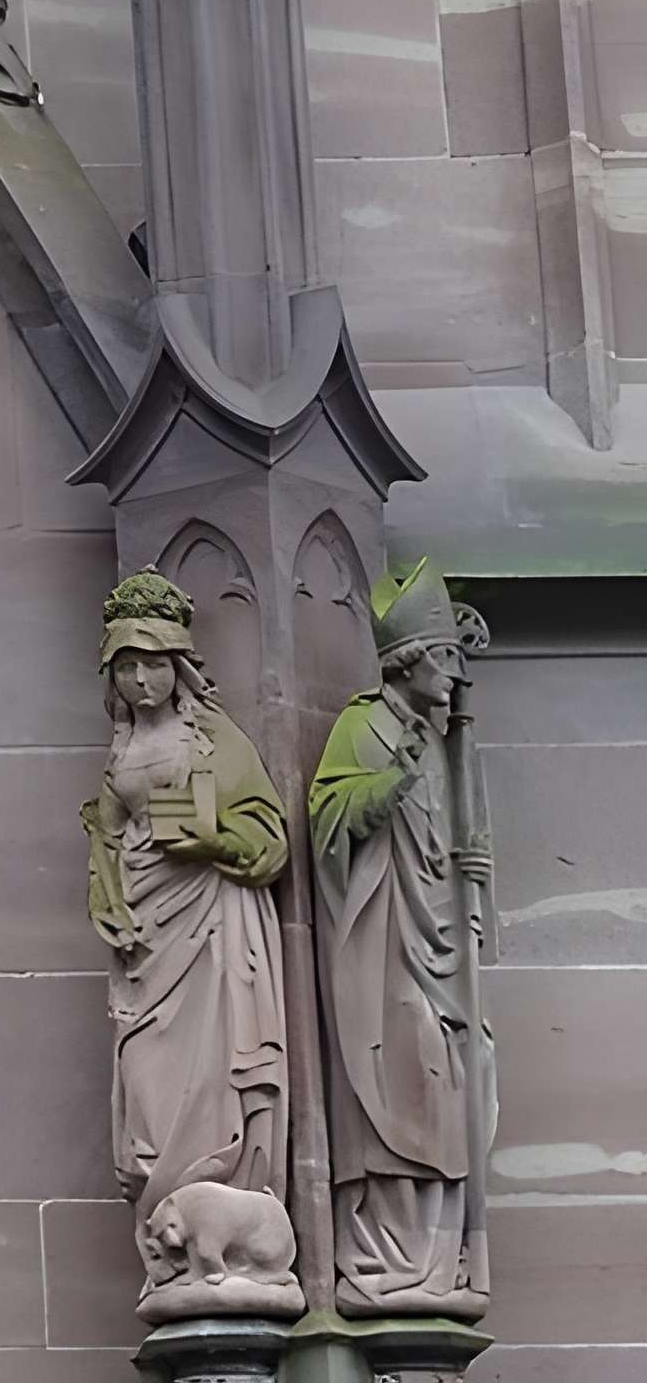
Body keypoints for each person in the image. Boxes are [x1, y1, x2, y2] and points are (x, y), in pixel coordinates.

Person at [81, 573, 295, 1314]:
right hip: (146, 945)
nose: (142, 681)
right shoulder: (120, 755)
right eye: (126, 667)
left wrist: (211, 840)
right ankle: (166, 1245)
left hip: (211, 927)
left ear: (179, 666)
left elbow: (269, 841)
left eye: (154, 664)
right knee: (147, 1088)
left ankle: (225, 1236)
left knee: (213, 1078)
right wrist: (108, 902)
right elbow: (108, 845)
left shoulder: (215, 740)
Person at [312, 559, 492, 1317]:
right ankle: (387, 1252)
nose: (453, 678)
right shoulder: (363, 728)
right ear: (408, 662)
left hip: (441, 945)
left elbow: (456, 842)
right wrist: (389, 785)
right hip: (384, 942)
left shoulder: (446, 744)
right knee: (398, 1076)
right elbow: (327, 816)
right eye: (444, 661)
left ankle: (439, 1259)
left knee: (453, 1085)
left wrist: (475, 876)